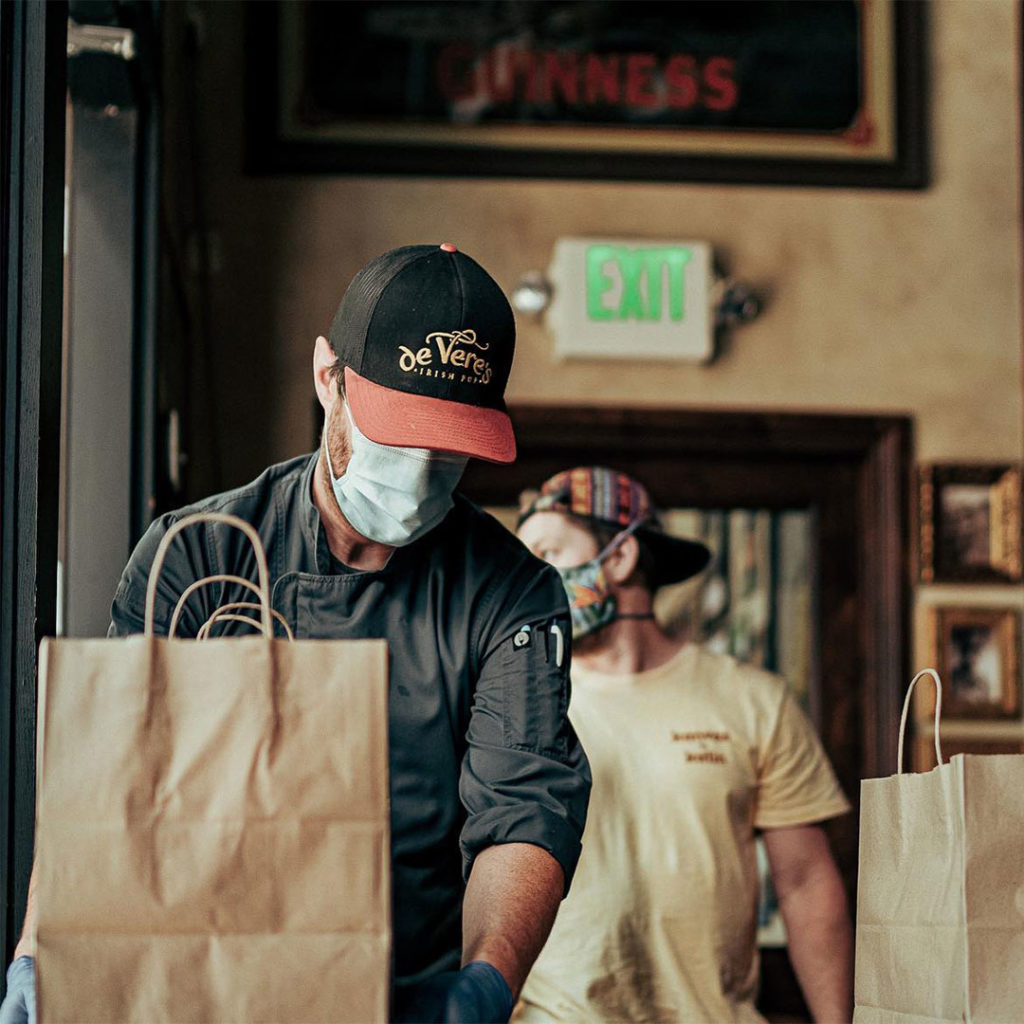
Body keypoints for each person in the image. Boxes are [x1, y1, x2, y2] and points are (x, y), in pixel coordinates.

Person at [0, 244, 591, 1024]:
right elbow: (109, 788)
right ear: (328, 378)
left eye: (447, 449)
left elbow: (520, 811)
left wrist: (484, 981)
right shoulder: (200, 552)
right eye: (396, 434)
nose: (418, 473)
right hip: (196, 982)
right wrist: (42, 950)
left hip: (402, 990)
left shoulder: (513, 594)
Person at [514, 466, 854, 1024]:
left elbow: (805, 883)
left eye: (549, 552)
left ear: (620, 558)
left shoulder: (753, 700)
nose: (533, 579)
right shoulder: (514, 706)